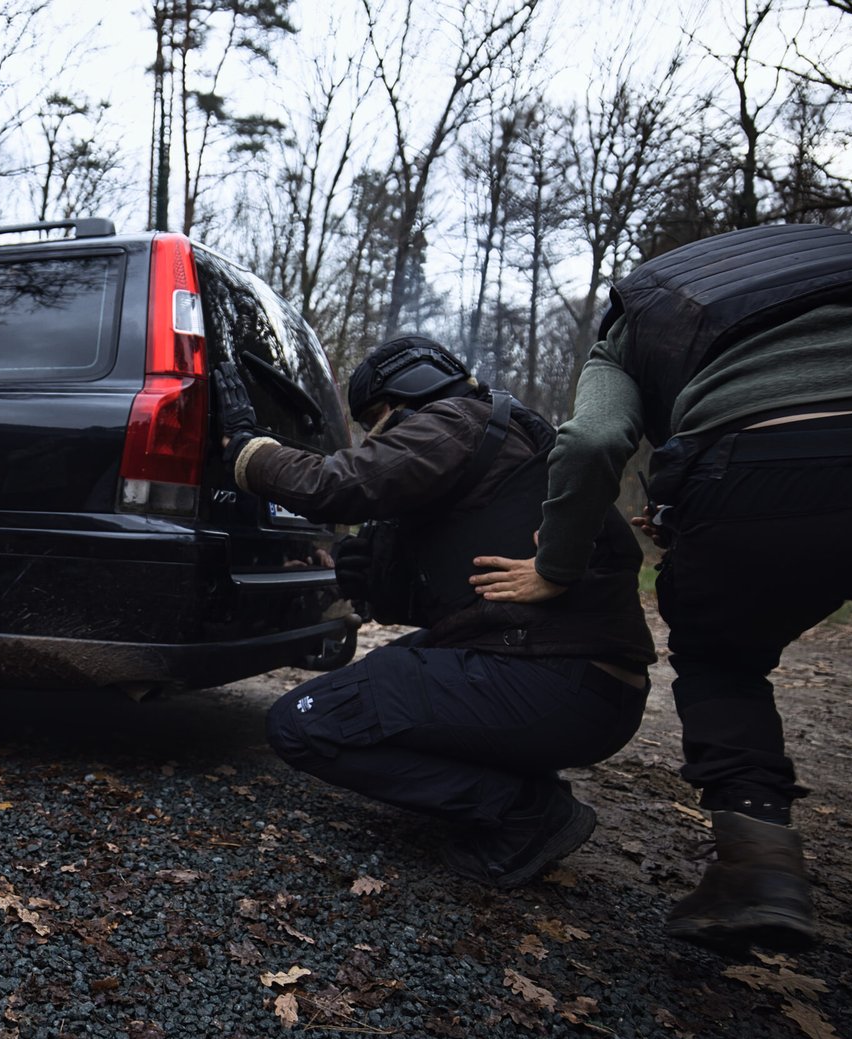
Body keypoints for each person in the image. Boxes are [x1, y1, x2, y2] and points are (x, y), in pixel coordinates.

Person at [470, 222, 852, 954]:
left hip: (757, 465)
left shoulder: (639, 317)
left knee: (724, 659)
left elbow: (593, 441)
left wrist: (556, 568)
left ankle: (758, 867)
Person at [218, 335, 655, 888]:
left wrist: (248, 449)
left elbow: (338, 484)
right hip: (585, 690)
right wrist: (370, 570)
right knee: (389, 671)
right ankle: (522, 787)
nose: (376, 438)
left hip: (553, 682)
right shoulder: (502, 439)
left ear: (405, 391)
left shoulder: (455, 421)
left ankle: (526, 811)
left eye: (374, 422)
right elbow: (455, 599)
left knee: (302, 722)